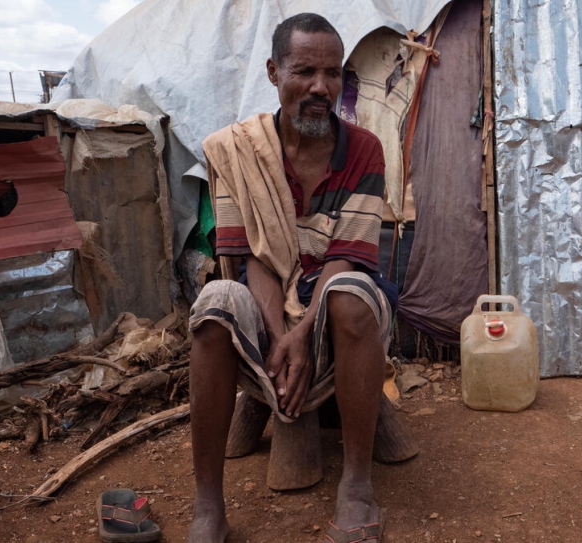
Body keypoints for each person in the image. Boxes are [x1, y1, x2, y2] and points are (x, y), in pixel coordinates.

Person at [186, 12, 395, 543]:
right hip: (269, 307)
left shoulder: (364, 149)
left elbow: (345, 258)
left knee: (350, 295)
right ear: (274, 72)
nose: (321, 87)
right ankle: (208, 507)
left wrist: (302, 335)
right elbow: (252, 258)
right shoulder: (238, 152)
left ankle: (356, 487)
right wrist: (280, 335)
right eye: (304, 71)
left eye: (333, 73)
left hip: (337, 310)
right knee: (213, 301)